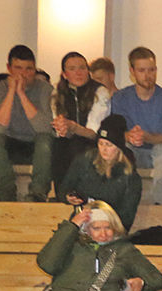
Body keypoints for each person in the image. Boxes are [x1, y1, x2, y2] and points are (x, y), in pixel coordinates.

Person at [27, 201, 162, 291]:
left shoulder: (125, 250)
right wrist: (71, 226)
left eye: (108, 228)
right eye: (96, 228)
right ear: (86, 229)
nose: (103, 234)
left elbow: (158, 280)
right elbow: (46, 264)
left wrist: (141, 283)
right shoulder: (71, 243)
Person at [107, 46, 162, 208]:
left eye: (151, 70)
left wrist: (144, 136)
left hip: (158, 149)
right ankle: (120, 202)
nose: (148, 75)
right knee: (121, 149)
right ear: (132, 72)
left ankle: (159, 205)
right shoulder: (120, 98)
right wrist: (129, 136)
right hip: (132, 148)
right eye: (142, 70)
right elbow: (117, 131)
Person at [0, 45, 55, 203]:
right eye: (18, 68)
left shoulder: (45, 89)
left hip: (36, 143)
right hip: (10, 141)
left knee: (46, 140)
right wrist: (11, 92)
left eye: (29, 69)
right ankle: (6, 195)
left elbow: (45, 128)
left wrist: (21, 94)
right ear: (9, 69)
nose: (24, 74)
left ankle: (37, 194)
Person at [60, 116, 143, 230]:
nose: (103, 149)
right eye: (101, 143)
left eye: (109, 145)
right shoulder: (84, 160)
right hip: (83, 224)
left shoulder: (130, 177)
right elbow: (64, 188)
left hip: (111, 230)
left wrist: (102, 222)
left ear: (119, 148)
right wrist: (68, 197)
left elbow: (127, 217)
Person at [50, 51, 111, 197]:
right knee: (57, 146)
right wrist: (64, 127)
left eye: (82, 68)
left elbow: (93, 131)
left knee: (78, 147)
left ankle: (79, 195)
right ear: (64, 74)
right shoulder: (57, 93)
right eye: (72, 69)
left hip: (93, 140)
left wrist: (72, 126)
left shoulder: (100, 92)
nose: (78, 73)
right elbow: (59, 128)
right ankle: (62, 196)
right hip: (68, 139)